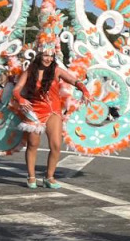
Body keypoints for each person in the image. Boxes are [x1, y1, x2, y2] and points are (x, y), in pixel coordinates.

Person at [13, 45, 90, 189]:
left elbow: (75, 81)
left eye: (51, 56)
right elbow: (16, 89)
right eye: (45, 56)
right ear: (39, 56)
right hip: (34, 111)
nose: (48, 59)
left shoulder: (56, 71)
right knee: (33, 145)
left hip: (54, 111)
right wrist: (21, 99)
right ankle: (31, 176)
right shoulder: (29, 71)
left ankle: (49, 177)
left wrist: (84, 90)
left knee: (56, 145)